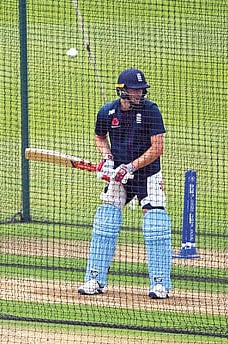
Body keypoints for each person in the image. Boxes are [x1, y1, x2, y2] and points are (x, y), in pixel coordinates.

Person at [78, 68, 172, 299]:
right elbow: (100, 137)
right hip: (118, 176)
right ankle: (94, 279)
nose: (139, 94)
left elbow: (158, 147)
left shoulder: (151, 111)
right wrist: (108, 159)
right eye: (135, 90)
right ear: (122, 91)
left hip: (147, 174)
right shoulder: (107, 112)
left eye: (141, 90)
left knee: (155, 223)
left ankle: (160, 284)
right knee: (105, 219)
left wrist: (130, 167)